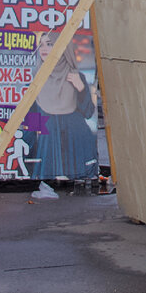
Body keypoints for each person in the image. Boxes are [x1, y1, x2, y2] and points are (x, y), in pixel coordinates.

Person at [29, 30, 98, 180]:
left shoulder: (75, 75)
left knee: (75, 181)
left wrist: (80, 88)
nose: (44, 49)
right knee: (47, 182)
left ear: (62, 47)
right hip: (49, 139)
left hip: (75, 138)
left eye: (49, 44)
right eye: (41, 45)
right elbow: (32, 115)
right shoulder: (37, 76)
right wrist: (38, 136)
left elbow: (88, 113)